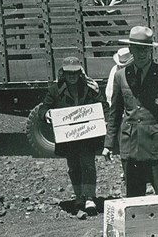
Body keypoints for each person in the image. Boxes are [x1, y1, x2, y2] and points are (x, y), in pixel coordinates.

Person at [103, 26, 158, 200]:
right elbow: (115, 113)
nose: (142, 53)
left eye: (146, 49)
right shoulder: (121, 76)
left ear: (151, 50)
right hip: (130, 145)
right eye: (138, 49)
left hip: (157, 144)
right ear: (131, 50)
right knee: (134, 199)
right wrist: (108, 143)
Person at [41, 56, 108, 213]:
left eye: (75, 73)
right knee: (73, 167)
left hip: (87, 136)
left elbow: (102, 105)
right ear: (63, 73)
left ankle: (90, 197)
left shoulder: (89, 88)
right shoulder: (55, 90)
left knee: (88, 165)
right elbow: (43, 108)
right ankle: (79, 196)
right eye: (68, 73)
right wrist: (47, 114)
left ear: (80, 73)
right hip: (69, 138)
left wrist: (103, 117)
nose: (72, 77)